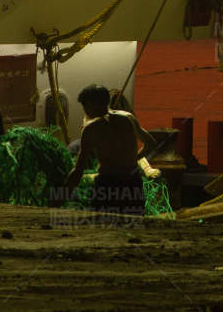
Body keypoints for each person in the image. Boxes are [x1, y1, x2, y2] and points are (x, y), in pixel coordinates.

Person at [63, 84, 159, 216]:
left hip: (108, 185)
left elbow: (78, 169)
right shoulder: (128, 118)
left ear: (89, 105)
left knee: (104, 227)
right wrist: (133, 159)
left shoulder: (91, 129)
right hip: (132, 183)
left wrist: (61, 196)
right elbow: (151, 144)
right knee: (134, 227)